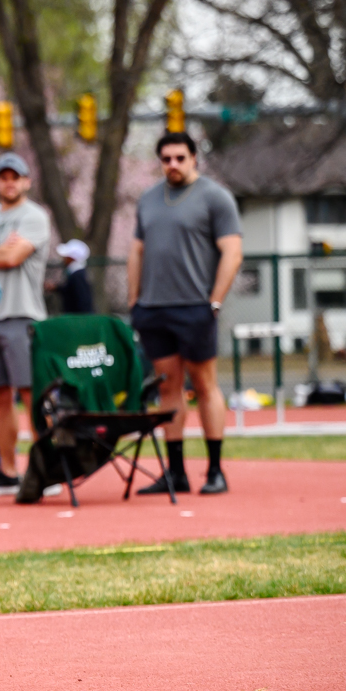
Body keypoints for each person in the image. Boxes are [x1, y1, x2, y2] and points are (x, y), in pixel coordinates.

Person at [128, 132, 243, 495]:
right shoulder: (148, 199)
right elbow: (137, 251)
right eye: (166, 159)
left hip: (195, 308)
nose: (173, 165)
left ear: (194, 158)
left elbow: (233, 252)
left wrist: (215, 301)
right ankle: (175, 473)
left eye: (180, 158)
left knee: (205, 386)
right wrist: (135, 300)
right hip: (154, 310)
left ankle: (215, 470)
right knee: (170, 390)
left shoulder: (215, 197)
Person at [0, 152, 52, 498]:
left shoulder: (34, 216)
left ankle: (46, 470)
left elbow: (10, 257)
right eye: (2, 177)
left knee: (30, 395)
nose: (8, 182)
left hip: (22, 317)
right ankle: (7, 472)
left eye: (14, 177)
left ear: (26, 181)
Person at [56, 239, 94, 315]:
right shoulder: (76, 274)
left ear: (72, 258)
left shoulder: (78, 276)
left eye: (66, 256)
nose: (64, 259)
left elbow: (82, 299)